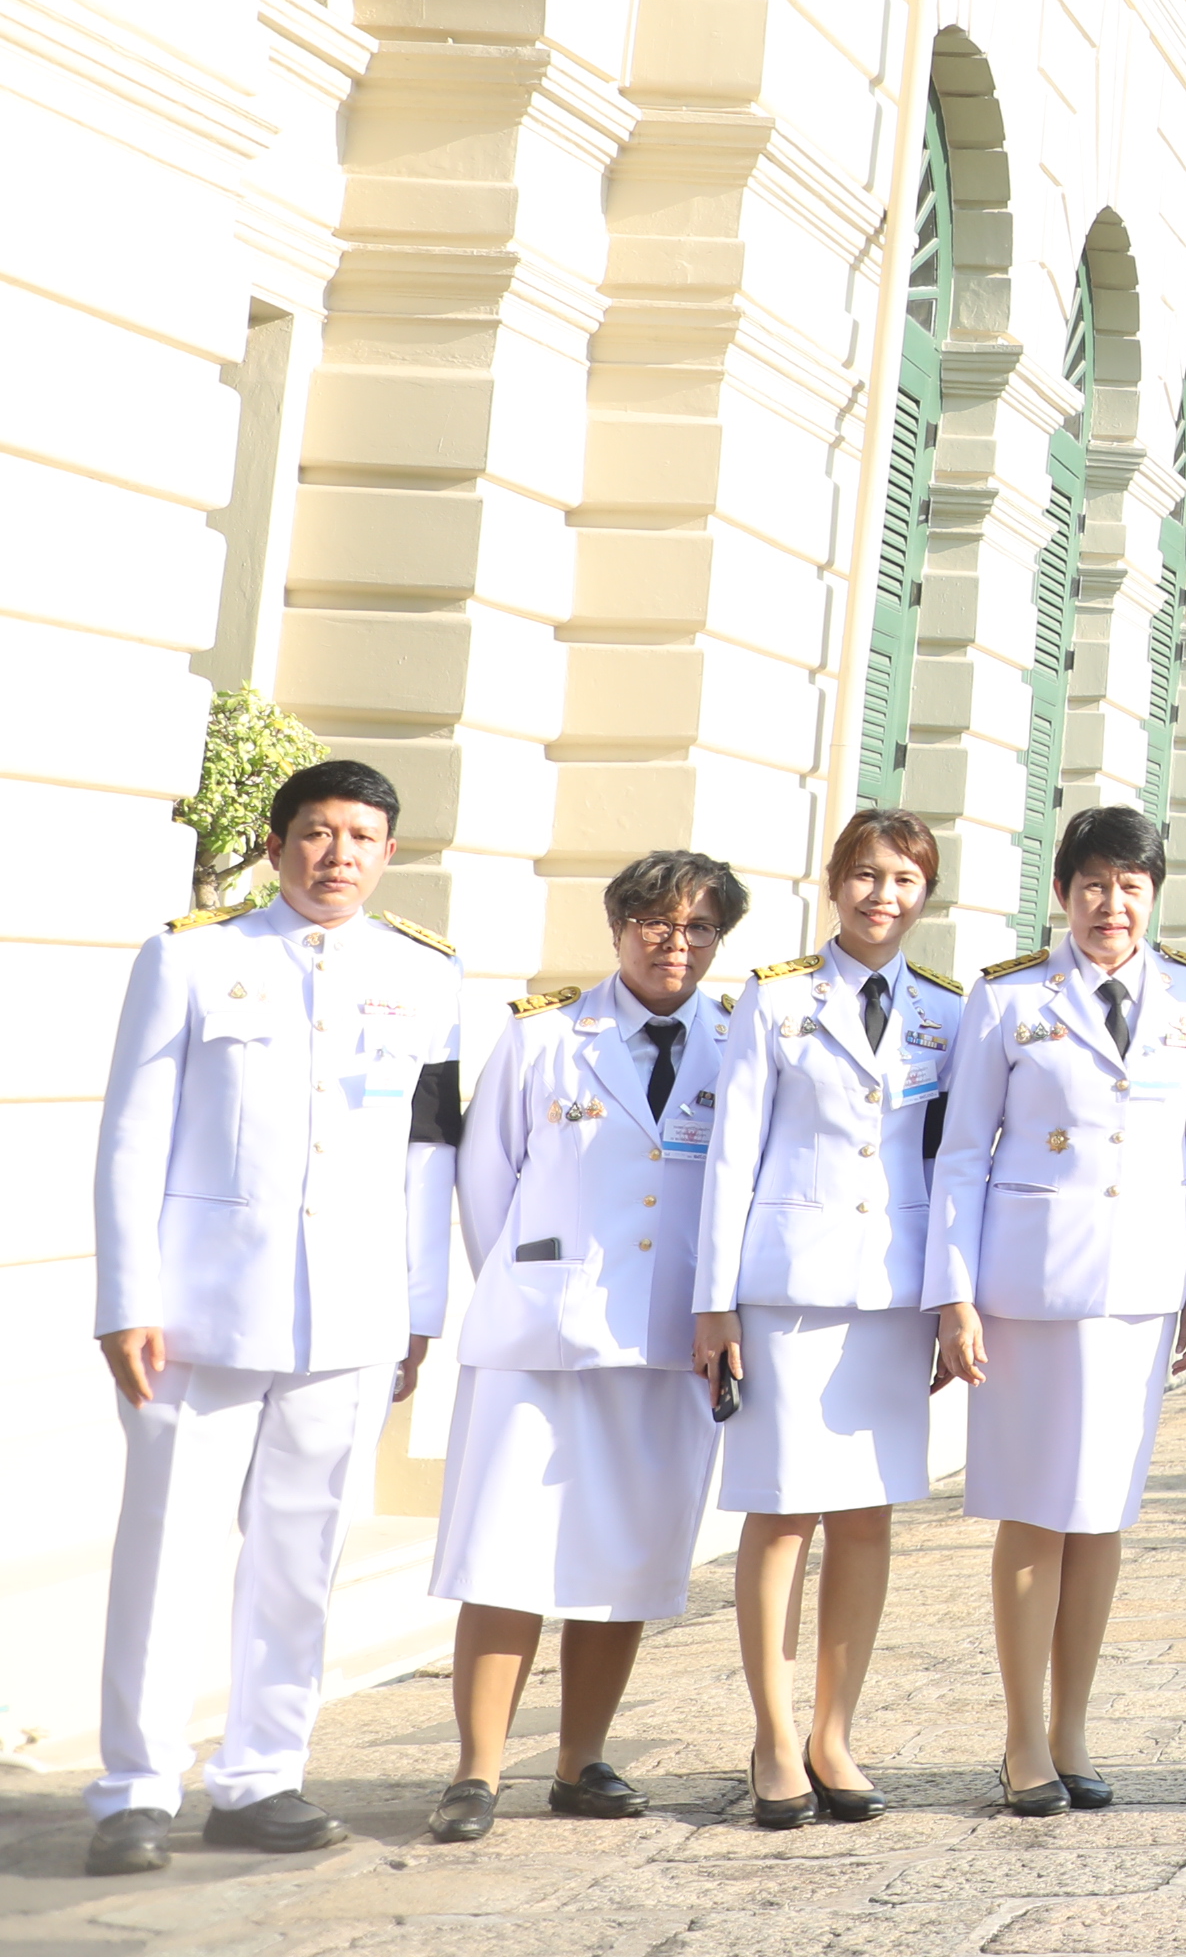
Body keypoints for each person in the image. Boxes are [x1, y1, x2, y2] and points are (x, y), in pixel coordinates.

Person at [84, 759, 463, 1878]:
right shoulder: (193, 958)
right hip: (194, 1317)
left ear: (389, 853)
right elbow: (131, 1137)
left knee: (303, 1557)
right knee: (167, 1555)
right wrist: (126, 1297)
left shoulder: (425, 977)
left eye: (361, 836)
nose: (337, 855)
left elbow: (429, 1153)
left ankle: (261, 1775)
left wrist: (419, 1309)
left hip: (347, 1315)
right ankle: (134, 1789)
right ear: (277, 842)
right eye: (315, 833)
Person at [423, 851, 748, 1842]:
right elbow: (486, 1186)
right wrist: (532, 1289)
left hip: (666, 1339)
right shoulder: (544, 1034)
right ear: (619, 927)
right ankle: (476, 1770)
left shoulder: (739, 1042)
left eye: (697, 928)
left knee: (629, 1554)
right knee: (503, 1550)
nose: (674, 944)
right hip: (540, 1334)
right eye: (655, 922)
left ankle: (580, 1760)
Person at [929, 804, 1186, 1813]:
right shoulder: (1009, 1000)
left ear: (1154, 894)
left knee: (1102, 1514)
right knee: (1032, 1509)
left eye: (1132, 885)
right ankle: (1021, 1740)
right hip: (1029, 1290)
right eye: (1094, 884)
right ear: (1064, 894)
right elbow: (963, 1151)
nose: (1113, 904)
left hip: (1139, 1289)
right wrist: (954, 1295)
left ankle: (1074, 1729)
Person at [693, 809, 959, 1828]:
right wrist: (713, 1303)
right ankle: (771, 1733)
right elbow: (732, 1159)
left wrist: (949, 1300)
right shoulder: (776, 1000)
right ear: (832, 884)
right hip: (788, 1291)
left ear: (923, 893)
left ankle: (833, 1731)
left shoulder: (948, 1011)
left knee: (867, 1514)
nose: (879, 894)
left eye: (901, 878)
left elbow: (952, 1162)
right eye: (863, 874)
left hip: (891, 1295)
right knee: (782, 1511)